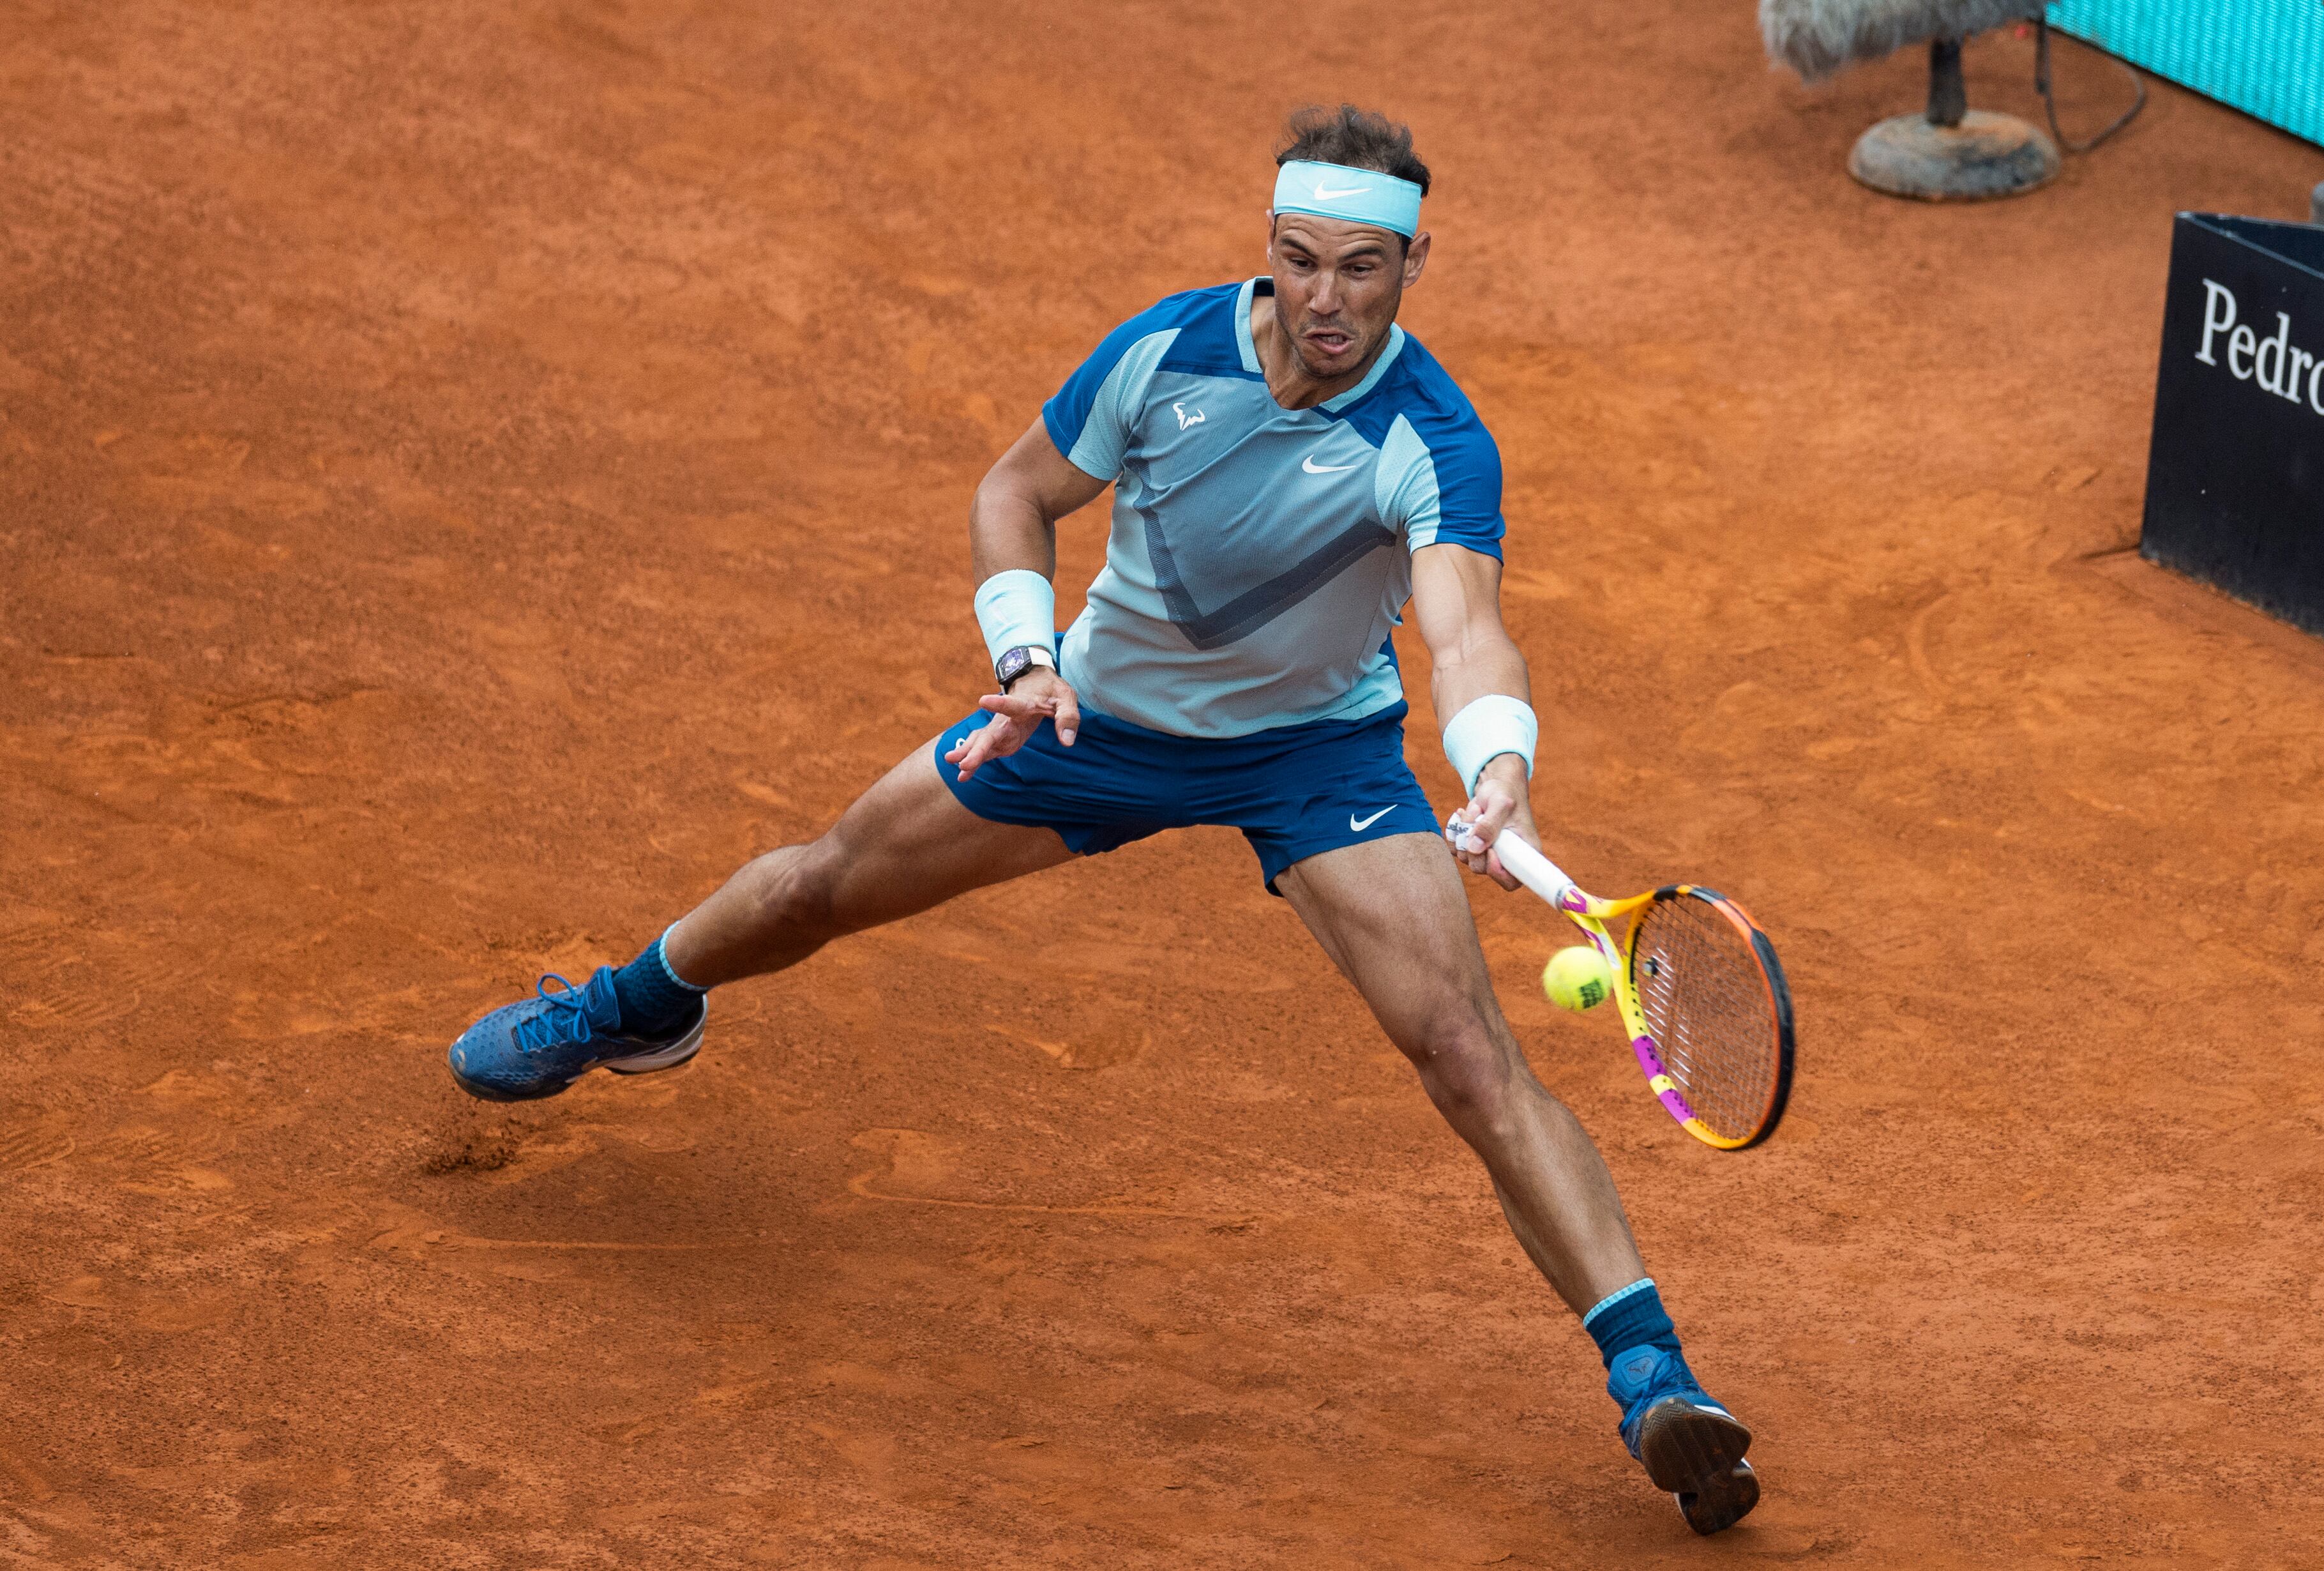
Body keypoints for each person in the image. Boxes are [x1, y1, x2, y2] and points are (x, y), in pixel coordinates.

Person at [446, 104, 1760, 1536]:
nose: (1329, 298)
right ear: (1269, 247)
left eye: (1365, 270)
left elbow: (1467, 629)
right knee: (822, 883)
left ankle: (1657, 1388)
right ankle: (638, 1005)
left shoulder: (1432, 436)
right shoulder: (1163, 354)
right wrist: (1026, 652)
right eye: (1303, 260)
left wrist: (1495, 762)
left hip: (1315, 758)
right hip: (1097, 723)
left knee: (1468, 1056)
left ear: (1415, 266)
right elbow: (1017, 492)